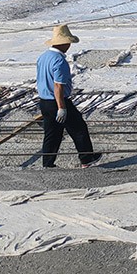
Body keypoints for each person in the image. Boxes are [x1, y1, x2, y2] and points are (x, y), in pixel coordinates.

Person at [36, 24, 101, 169]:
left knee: (52, 133)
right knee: (78, 128)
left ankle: (47, 163)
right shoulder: (59, 61)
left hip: (44, 102)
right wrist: (62, 108)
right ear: (64, 43)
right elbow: (58, 86)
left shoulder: (43, 57)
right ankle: (86, 158)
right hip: (57, 102)